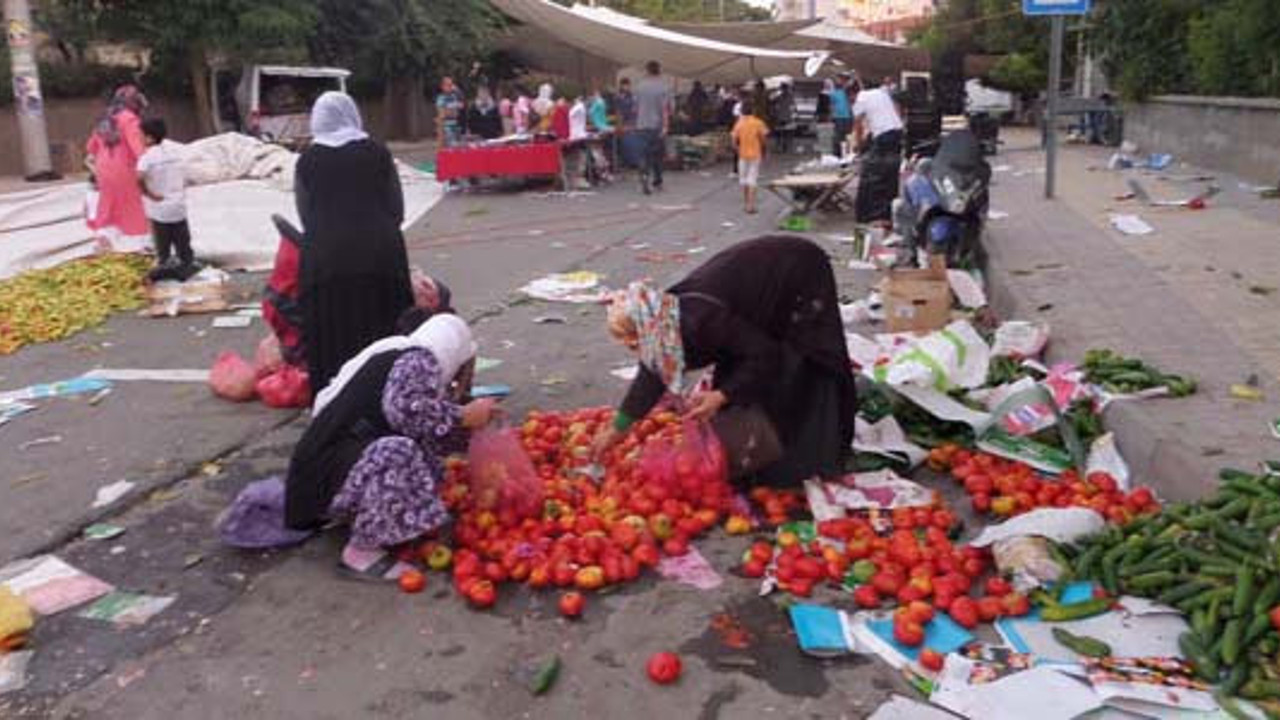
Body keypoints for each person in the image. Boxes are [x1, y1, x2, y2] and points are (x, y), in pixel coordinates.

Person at [593, 236, 857, 488]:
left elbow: (764, 354)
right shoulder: (665, 323)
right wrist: (618, 430)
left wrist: (722, 394)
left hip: (798, 273)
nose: (634, 349)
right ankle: (767, 456)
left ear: (648, 330)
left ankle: (809, 458)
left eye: (634, 342)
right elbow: (652, 374)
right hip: (757, 291)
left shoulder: (700, 319)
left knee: (798, 368)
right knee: (744, 380)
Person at [285, 313, 499, 580]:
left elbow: (424, 428)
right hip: (325, 474)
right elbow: (405, 413)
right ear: (454, 349)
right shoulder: (419, 361)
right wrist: (463, 416)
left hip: (333, 469)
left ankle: (368, 516)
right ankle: (361, 554)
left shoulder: (405, 357)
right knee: (399, 452)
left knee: (422, 457)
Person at [295, 92, 414, 392]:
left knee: (332, 332)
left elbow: (305, 215)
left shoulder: (307, 161)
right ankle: (390, 399)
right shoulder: (377, 153)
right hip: (380, 255)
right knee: (385, 329)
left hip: (325, 260)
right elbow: (396, 209)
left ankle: (335, 404)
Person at [85, 85, 149, 247]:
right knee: (132, 208)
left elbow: (90, 147)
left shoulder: (105, 119)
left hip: (103, 171)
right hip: (125, 170)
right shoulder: (130, 119)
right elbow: (138, 149)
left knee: (109, 206)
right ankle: (138, 247)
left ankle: (104, 238)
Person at [135, 118, 195, 282]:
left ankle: (165, 272)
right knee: (183, 243)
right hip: (178, 206)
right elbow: (187, 173)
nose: (138, 138)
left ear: (149, 138)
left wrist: (148, 194)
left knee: (163, 246)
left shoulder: (147, 157)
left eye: (140, 135)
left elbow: (139, 178)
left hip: (160, 209)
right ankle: (187, 268)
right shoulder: (175, 151)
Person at [852, 78, 905, 223]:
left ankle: (870, 215)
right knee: (890, 171)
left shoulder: (862, 96)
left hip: (884, 136)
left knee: (873, 174)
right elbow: (897, 111)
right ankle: (886, 213)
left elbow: (857, 123)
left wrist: (858, 144)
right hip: (897, 132)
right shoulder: (883, 93)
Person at [634, 60, 671, 195]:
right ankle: (657, 181)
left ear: (647, 70)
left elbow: (635, 108)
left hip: (641, 125)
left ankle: (644, 177)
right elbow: (666, 109)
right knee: (657, 155)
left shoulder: (639, 87)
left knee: (643, 155)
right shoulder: (664, 87)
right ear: (659, 70)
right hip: (657, 126)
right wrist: (666, 126)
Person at [731, 102, 769, 214]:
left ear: (742, 111)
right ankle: (751, 206)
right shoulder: (758, 123)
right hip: (755, 154)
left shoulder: (739, 124)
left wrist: (738, 150)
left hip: (742, 155)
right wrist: (765, 150)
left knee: (743, 180)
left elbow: (733, 141)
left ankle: (746, 203)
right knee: (752, 179)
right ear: (753, 111)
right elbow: (763, 139)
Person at [827, 74, 853, 157]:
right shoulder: (833, 93)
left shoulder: (846, 92)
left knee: (846, 136)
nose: (840, 82)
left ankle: (846, 153)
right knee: (840, 136)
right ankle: (839, 153)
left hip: (846, 117)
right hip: (839, 117)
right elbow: (831, 105)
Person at [435, 77, 465, 148]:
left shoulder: (454, 96)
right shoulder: (441, 98)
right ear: (442, 86)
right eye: (448, 85)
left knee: (458, 147)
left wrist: (458, 90)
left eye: (451, 85)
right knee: (450, 147)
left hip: (456, 125)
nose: (450, 87)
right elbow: (442, 114)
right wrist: (451, 111)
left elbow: (462, 106)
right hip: (446, 127)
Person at [772, 83, 796, 154]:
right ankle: (779, 147)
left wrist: (793, 116)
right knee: (779, 133)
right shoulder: (779, 97)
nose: (783, 90)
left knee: (786, 133)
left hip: (786, 117)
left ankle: (784, 147)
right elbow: (772, 101)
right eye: (782, 89)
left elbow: (793, 108)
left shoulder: (790, 97)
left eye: (784, 88)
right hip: (780, 117)